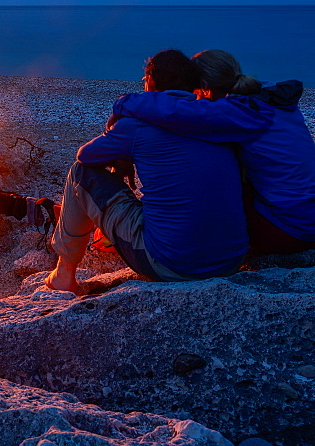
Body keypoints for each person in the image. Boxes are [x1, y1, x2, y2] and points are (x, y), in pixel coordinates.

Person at [47, 49, 249, 293]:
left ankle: (64, 274)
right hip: (231, 260)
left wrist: (122, 151)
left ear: (151, 81)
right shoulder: (218, 119)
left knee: (81, 173)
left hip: (172, 265)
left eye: (145, 81)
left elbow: (86, 157)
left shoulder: (137, 125)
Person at [112, 49, 315, 254]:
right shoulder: (268, 98)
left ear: (205, 86)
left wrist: (122, 104)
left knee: (217, 171)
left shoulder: (239, 112)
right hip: (307, 218)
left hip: (291, 231)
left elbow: (175, 113)